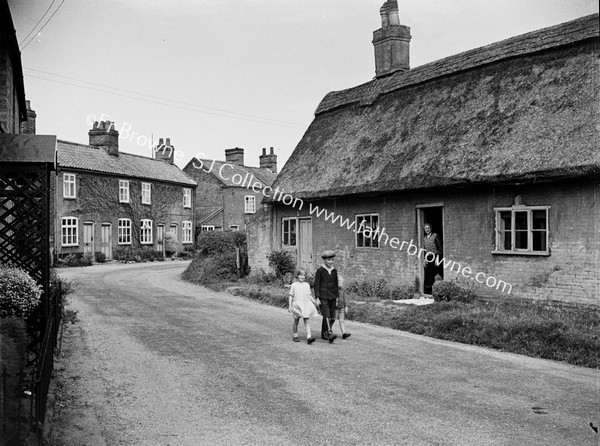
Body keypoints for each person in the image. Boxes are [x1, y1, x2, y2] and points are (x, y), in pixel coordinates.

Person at [314, 250, 339, 343]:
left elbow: (336, 284)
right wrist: (317, 298)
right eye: (328, 260)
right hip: (323, 296)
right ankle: (329, 332)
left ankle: (324, 333)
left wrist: (337, 297)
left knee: (332, 316)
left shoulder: (334, 271)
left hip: (333, 296)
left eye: (332, 260)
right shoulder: (320, 271)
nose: (330, 262)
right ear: (324, 260)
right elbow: (316, 285)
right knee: (326, 314)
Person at [288, 268, 319, 344]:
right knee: (296, 320)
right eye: (300, 275)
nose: (302, 277)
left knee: (306, 321)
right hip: (297, 305)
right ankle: (295, 335)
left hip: (305, 305)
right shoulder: (294, 285)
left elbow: (309, 295)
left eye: (304, 275)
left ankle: (309, 337)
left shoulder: (307, 285)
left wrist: (314, 302)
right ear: (297, 275)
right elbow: (290, 296)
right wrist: (289, 306)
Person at [423, 223, 442, 295]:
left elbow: (440, 248)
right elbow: (425, 250)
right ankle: (428, 291)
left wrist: (437, 258)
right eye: (425, 228)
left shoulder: (435, 236)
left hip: (435, 256)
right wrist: (424, 259)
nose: (427, 230)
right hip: (428, 257)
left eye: (428, 228)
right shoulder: (424, 238)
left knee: (435, 273)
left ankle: (436, 291)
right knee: (428, 274)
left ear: (431, 228)